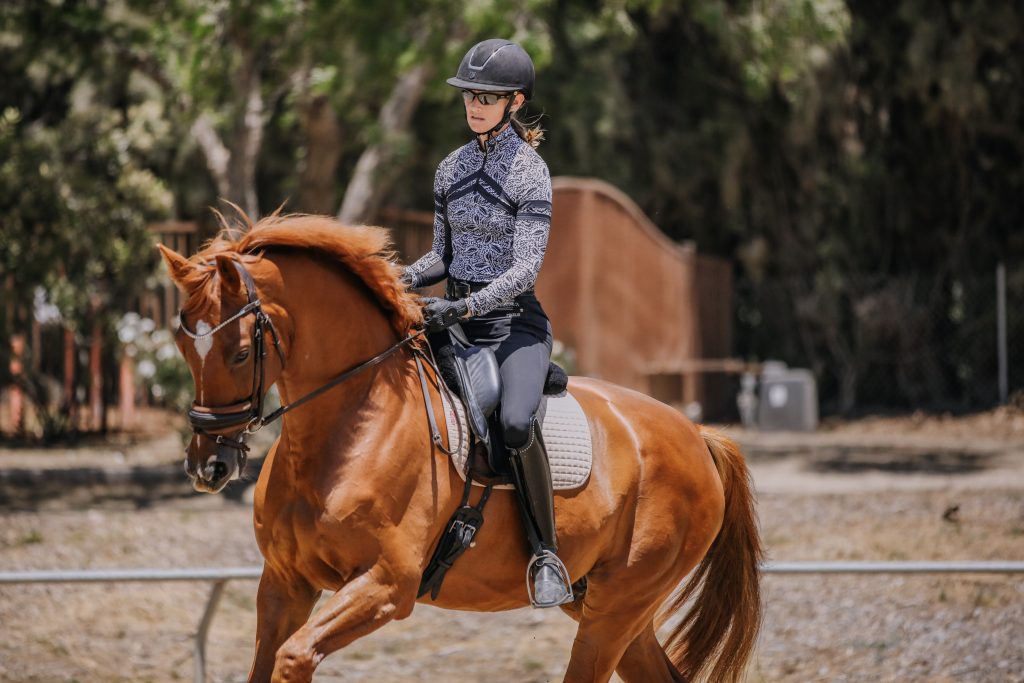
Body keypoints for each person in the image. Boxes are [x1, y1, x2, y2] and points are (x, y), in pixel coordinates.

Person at [402, 38, 573, 608]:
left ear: (514, 102)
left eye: (487, 97)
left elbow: (525, 270)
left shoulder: (530, 172)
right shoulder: (449, 168)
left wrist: (467, 306)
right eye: (469, 95)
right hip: (454, 321)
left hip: (512, 325)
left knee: (517, 424)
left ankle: (546, 554)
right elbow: (442, 258)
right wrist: (395, 278)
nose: (474, 105)